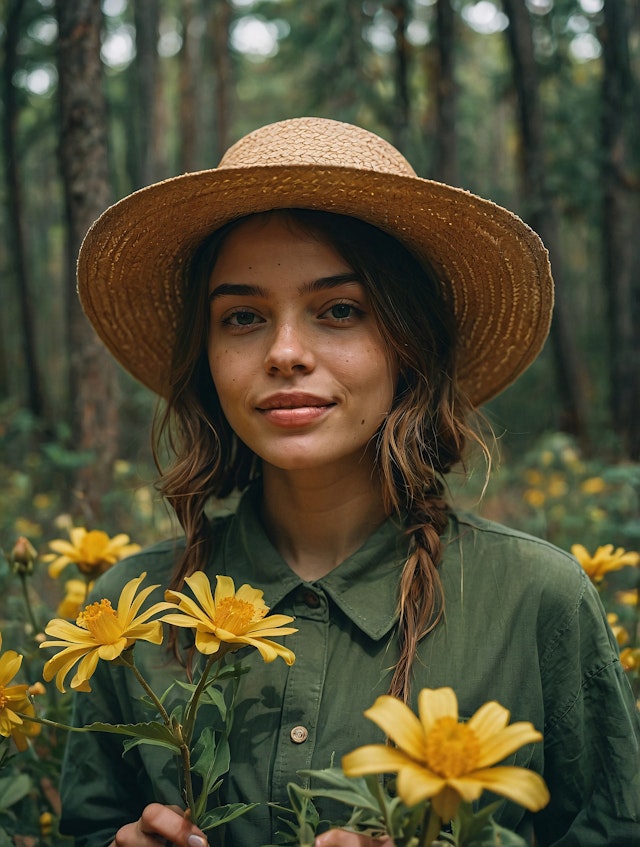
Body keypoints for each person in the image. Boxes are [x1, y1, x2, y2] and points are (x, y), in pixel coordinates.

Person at [57, 118, 638, 847]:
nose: (285, 352)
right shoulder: (127, 617)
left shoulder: (538, 602)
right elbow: (77, 824)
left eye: (339, 309)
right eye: (243, 316)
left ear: (407, 340)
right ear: (206, 357)